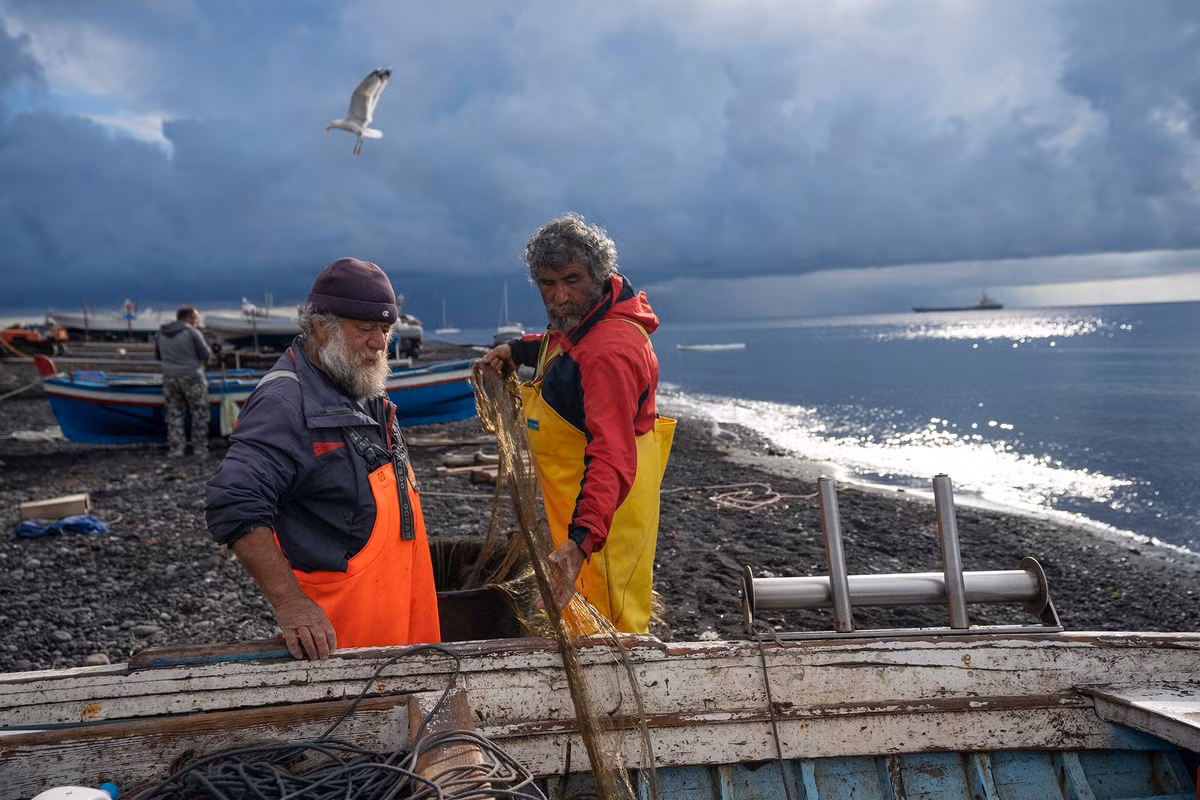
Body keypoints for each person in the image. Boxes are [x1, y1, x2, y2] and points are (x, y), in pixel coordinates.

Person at [205, 257, 440, 660]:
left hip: (405, 623)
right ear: (320, 327)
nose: (380, 343)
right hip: (342, 645)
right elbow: (233, 502)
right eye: (365, 329)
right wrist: (289, 603)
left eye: (385, 330)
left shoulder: (357, 384)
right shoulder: (283, 403)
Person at [481, 213, 675, 633]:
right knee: (580, 617)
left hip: (608, 521)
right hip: (580, 509)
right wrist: (518, 349)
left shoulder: (610, 353)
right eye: (547, 285)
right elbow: (563, 343)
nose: (560, 297)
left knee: (611, 630)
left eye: (571, 280)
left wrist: (582, 540)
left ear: (600, 275)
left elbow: (612, 454)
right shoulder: (585, 320)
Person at [155, 305, 213, 458]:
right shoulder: (192, 332)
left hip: (169, 377)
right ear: (188, 317)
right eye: (195, 317)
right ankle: (200, 449)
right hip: (192, 376)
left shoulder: (160, 334)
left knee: (174, 413)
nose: (196, 320)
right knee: (199, 412)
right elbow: (206, 354)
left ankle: (176, 449)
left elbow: (158, 356)